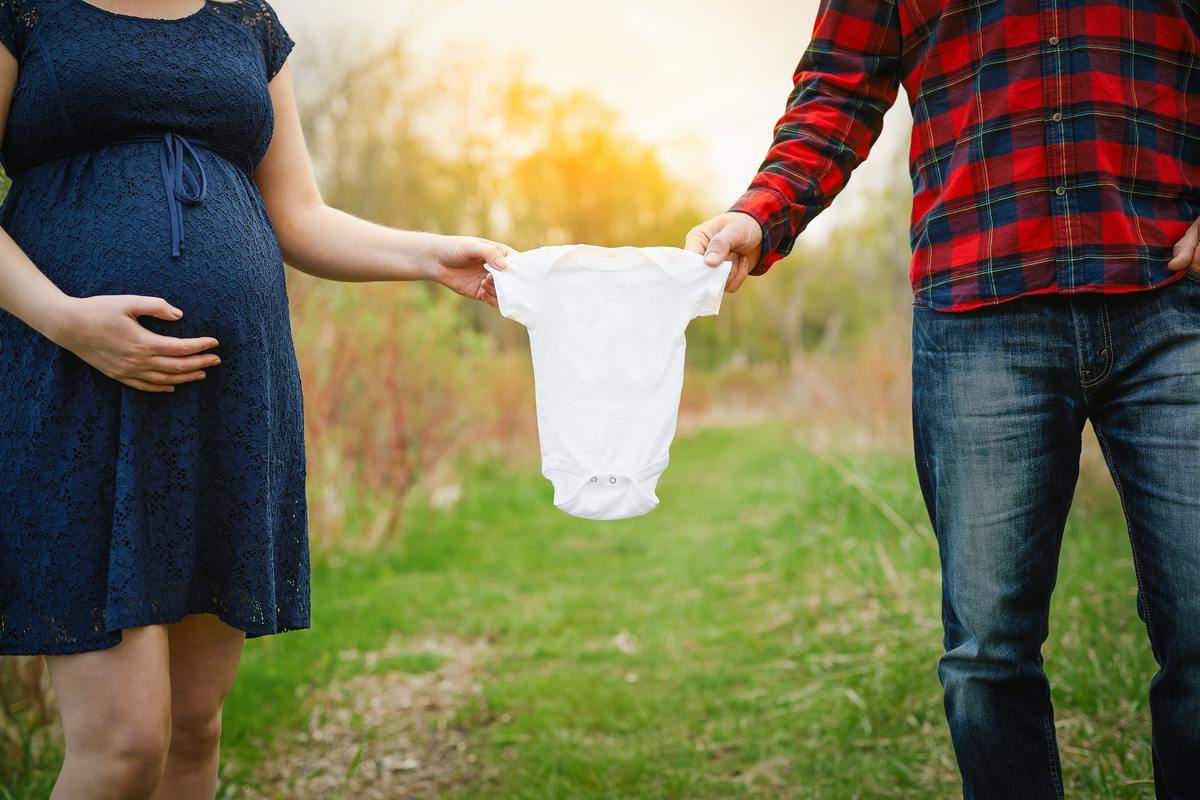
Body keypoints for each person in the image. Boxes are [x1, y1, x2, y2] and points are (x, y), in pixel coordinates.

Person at [687, 2, 1200, 797]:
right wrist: (759, 211)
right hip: (978, 306)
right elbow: (839, 87)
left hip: (1171, 295)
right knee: (987, 655)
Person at [0, 1, 511, 798]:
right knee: (124, 745)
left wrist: (430, 256)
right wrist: (66, 320)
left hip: (230, 399)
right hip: (76, 380)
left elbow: (299, 215)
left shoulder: (245, 22)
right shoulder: (28, 13)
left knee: (195, 727)